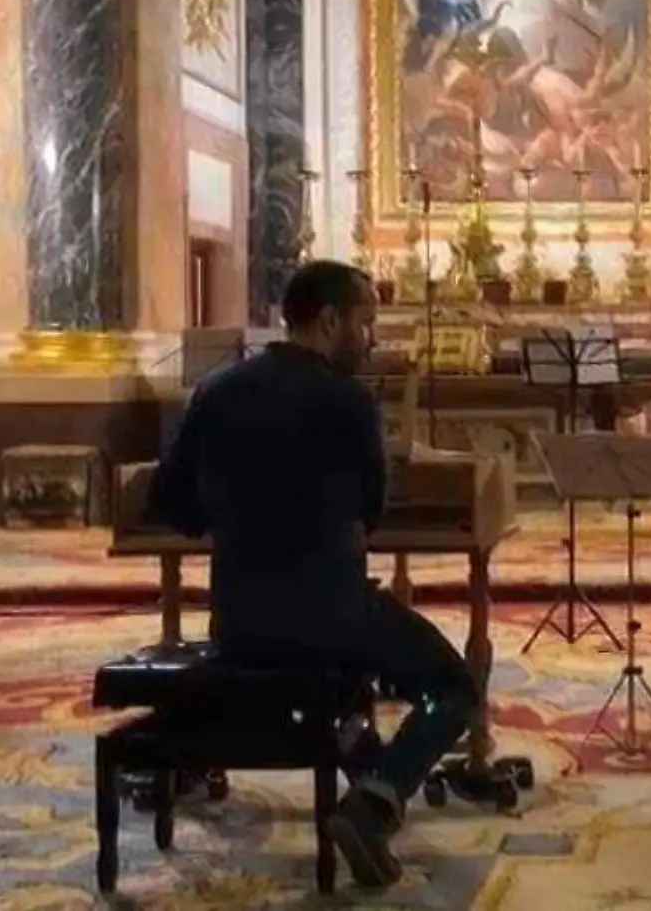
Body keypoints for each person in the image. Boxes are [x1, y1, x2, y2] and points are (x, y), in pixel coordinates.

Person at [147, 260, 478, 887]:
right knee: (453, 686)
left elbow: (177, 505)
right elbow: (369, 513)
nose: (372, 339)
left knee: (347, 685)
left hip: (239, 619)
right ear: (330, 321)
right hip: (331, 615)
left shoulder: (216, 390)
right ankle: (375, 802)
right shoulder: (348, 400)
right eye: (366, 323)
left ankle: (369, 783)